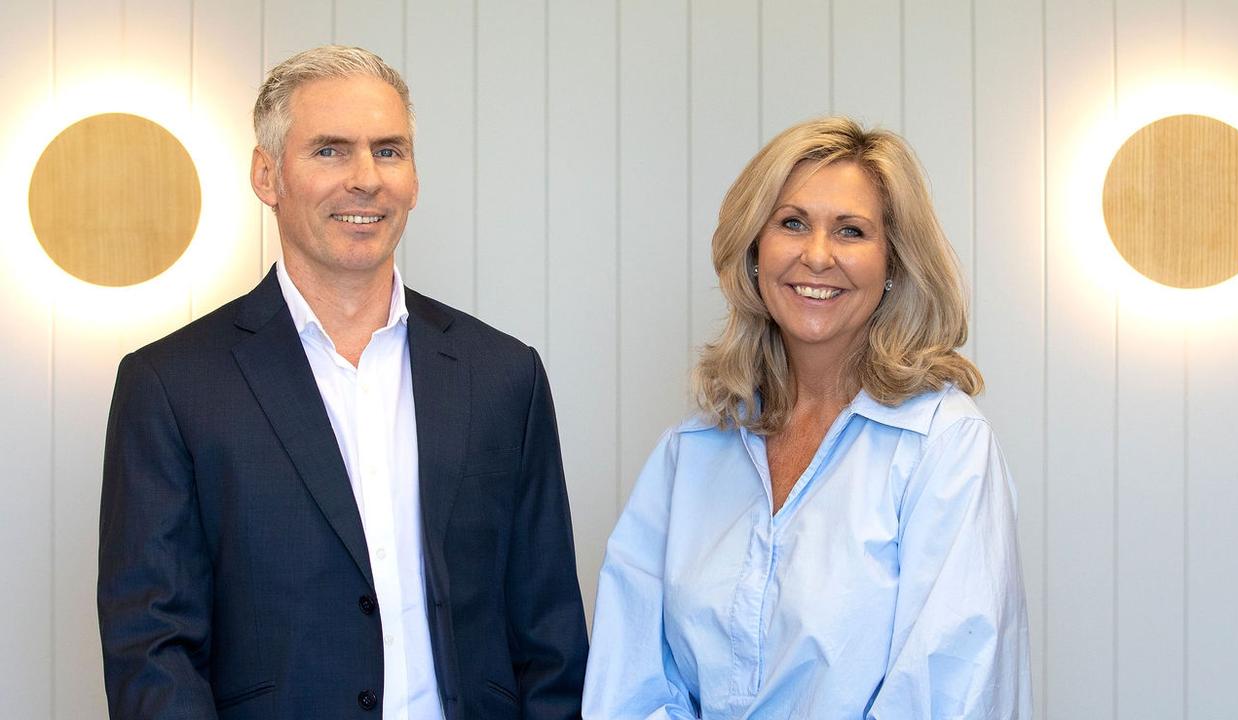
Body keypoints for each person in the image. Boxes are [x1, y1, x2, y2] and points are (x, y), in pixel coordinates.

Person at [98, 45, 588, 720]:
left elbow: (550, 631)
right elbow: (153, 649)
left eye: (388, 151)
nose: (366, 179)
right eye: (329, 150)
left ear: (414, 178)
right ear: (267, 175)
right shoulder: (173, 385)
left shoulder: (503, 374)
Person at [583, 117, 1032, 719]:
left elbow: (951, 693)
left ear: (893, 261)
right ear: (754, 250)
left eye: (851, 231)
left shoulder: (945, 447)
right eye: (792, 223)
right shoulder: (688, 452)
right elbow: (628, 683)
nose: (817, 256)